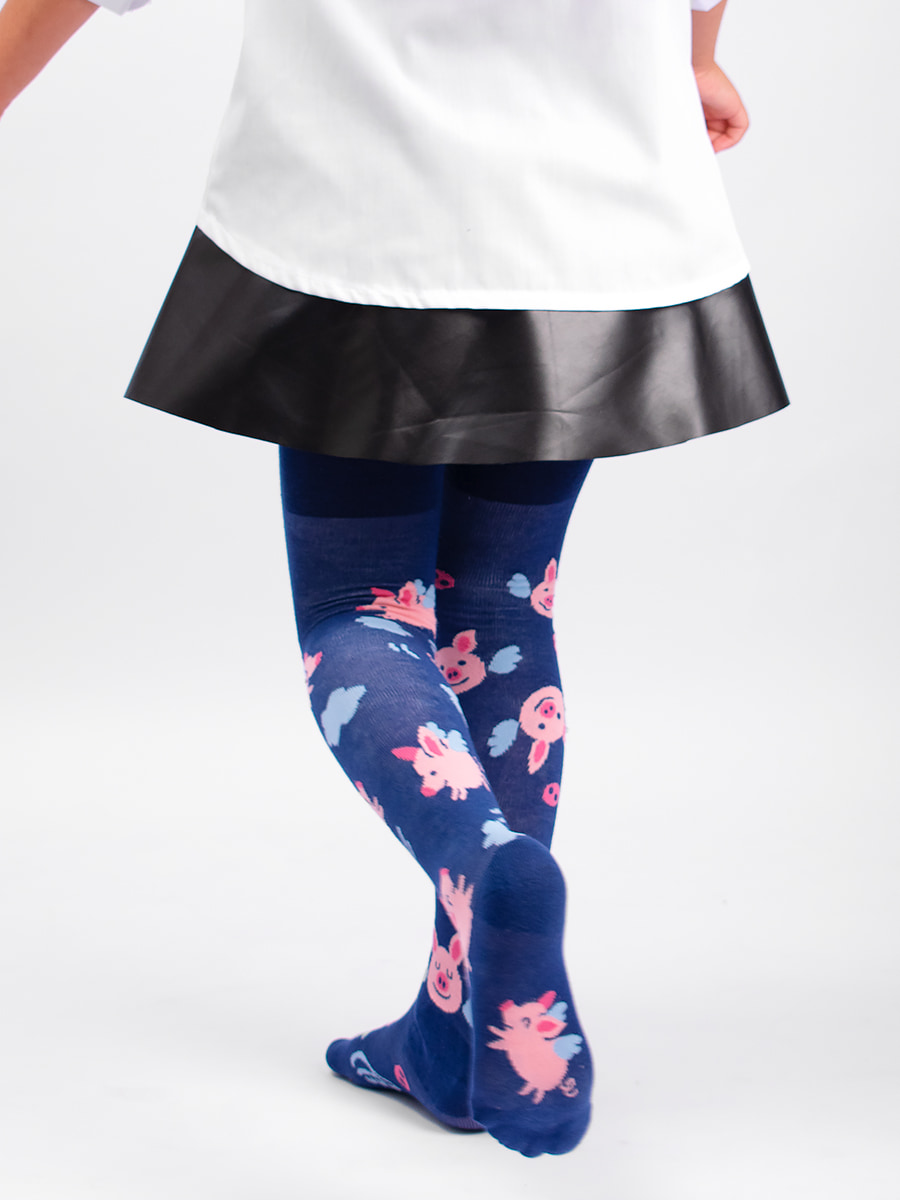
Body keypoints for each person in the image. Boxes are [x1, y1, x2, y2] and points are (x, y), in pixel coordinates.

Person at [0, 0, 789, 1158]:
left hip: (366, 212)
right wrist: (700, 52)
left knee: (360, 611)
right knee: (500, 610)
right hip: (594, 209)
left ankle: (484, 868)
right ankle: (460, 1035)